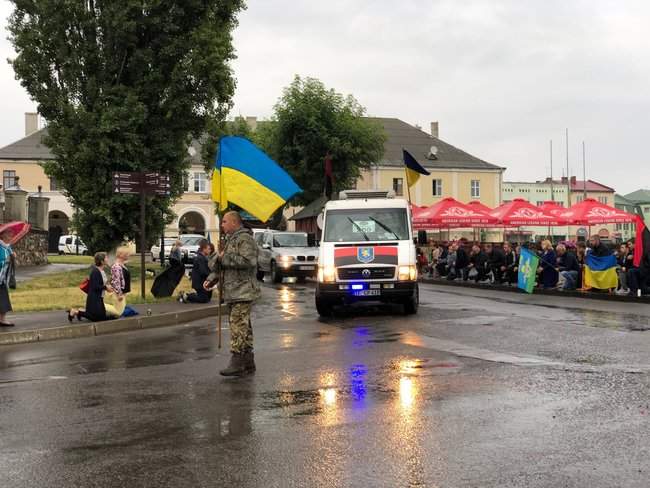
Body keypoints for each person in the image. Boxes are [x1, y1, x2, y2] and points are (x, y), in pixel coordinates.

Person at [205, 211, 261, 377]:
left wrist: (223, 258)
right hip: (233, 291)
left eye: (224, 222)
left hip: (243, 291)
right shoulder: (230, 240)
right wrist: (212, 279)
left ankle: (237, 361)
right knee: (244, 327)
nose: (221, 225)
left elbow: (248, 261)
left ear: (234, 223)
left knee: (238, 325)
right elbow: (221, 266)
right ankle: (248, 362)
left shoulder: (245, 239)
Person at [70, 252, 120, 322]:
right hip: (94, 298)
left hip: (99, 297)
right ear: (102, 261)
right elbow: (95, 286)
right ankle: (75, 312)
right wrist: (105, 288)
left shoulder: (102, 271)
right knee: (96, 318)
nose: (107, 259)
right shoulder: (95, 271)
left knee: (101, 316)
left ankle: (79, 312)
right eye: (106, 258)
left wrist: (108, 287)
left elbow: (101, 283)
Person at [179, 239, 212, 303]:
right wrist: (211, 275)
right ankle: (186, 296)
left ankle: (191, 296)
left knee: (207, 298)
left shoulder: (201, 256)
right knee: (203, 299)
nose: (210, 250)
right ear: (204, 249)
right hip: (200, 283)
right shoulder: (200, 258)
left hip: (202, 282)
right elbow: (203, 272)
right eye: (208, 249)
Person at [0, 229, 16, 327]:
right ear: (2, 235)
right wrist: (5, 260)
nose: (11, 236)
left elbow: (11, 257)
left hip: (3, 278)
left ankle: (2, 319)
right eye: (9, 234)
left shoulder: (8, 247)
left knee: (4, 298)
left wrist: (13, 256)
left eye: (11, 235)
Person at [110, 246, 131, 316]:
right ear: (122, 255)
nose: (129, 255)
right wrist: (119, 294)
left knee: (120, 312)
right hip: (118, 294)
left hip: (123, 293)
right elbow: (116, 282)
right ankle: (97, 308)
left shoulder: (122, 265)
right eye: (127, 254)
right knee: (119, 312)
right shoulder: (117, 266)